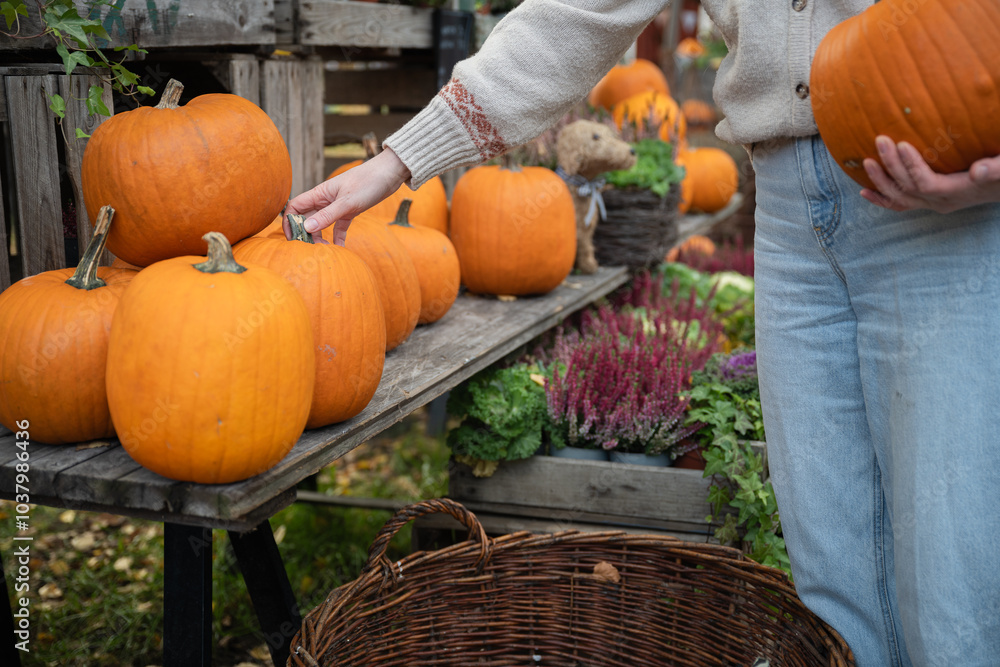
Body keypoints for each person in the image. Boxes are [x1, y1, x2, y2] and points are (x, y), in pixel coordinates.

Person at [287, 1, 1000, 664]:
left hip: (945, 191)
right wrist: (397, 161)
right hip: (788, 209)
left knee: (956, 584)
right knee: (832, 585)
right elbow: (578, 11)